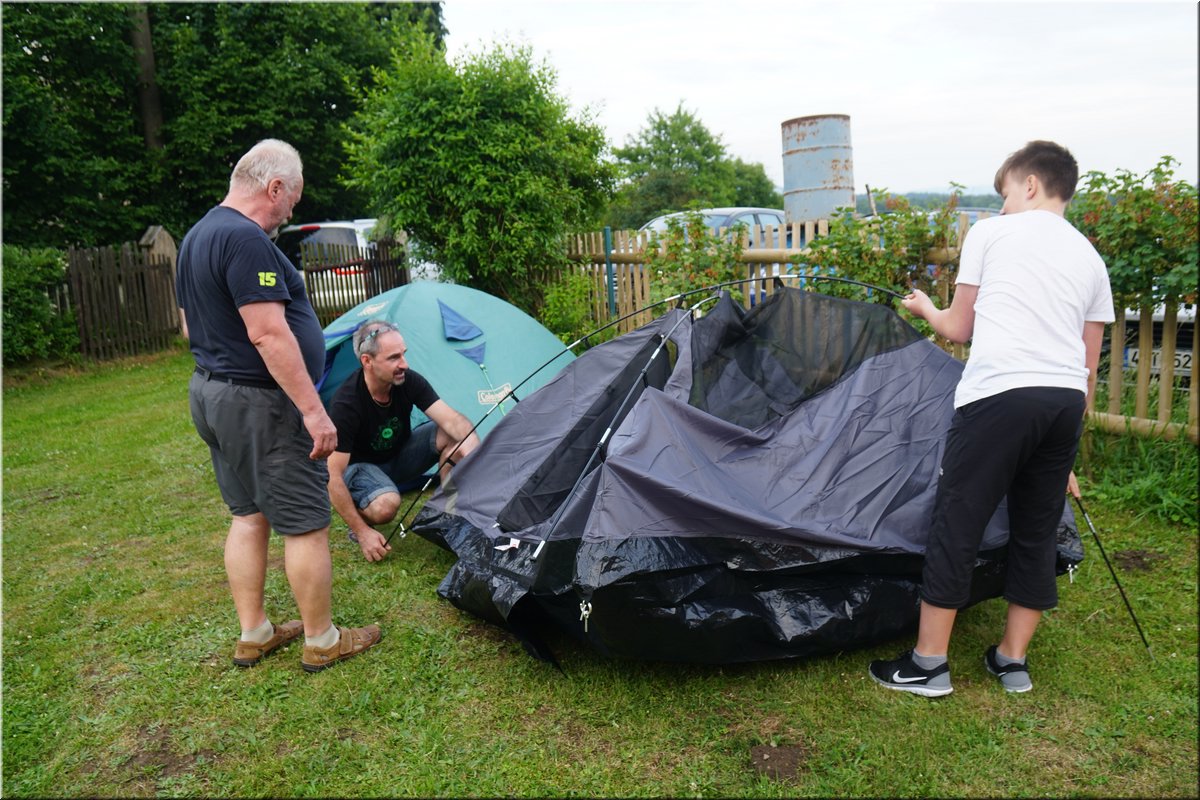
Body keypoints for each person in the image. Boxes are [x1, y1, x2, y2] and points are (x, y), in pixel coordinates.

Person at [868, 140, 1113, 697]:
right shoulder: (1091, 259)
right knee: (1036, 527)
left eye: (1004, 193)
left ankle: (928, 665)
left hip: (999, 394)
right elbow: (1087, 366)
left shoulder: (991, 234)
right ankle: (1011, 660)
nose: (1001, 206)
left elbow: (958, 328)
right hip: (1062, 403)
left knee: (959, 520)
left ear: (1029, 185)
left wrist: (924, 308)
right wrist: (1067, 451)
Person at [176, 138, 382, 673]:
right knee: (305, 523)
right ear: (273, 187)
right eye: (293, 199)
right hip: (261, 404)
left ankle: (256, 633)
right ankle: (322, 639)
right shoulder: (245, 241)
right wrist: (313, 411)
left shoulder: (198, 235)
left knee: (249, 516)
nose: (292, 210)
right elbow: (269, 334)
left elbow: (188, 323)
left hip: (213, 392)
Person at [327, 320, 481, 562]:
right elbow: (332, 475)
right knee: (386, 506)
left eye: (404, 354)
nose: (404, 364)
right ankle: (363, 513)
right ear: (367, 361)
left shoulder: (408, 380)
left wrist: (478, 459)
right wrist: (362, 531)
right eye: (393, 358)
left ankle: (452, 511)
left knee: (457, 436)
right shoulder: (346, 403)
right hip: (362, 468)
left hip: (400, 456)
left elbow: (453, 421)